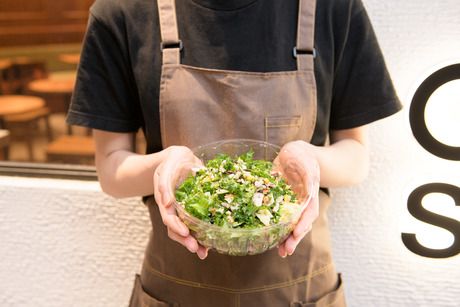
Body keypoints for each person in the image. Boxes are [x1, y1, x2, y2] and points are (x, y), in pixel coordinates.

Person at [67, 0, 402, 305]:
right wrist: (165, 165)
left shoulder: (333, 8)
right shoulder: (123, 11)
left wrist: (309, 158)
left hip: (300, 289)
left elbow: (355, 157)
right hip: (178, 289)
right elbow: (112, 169)